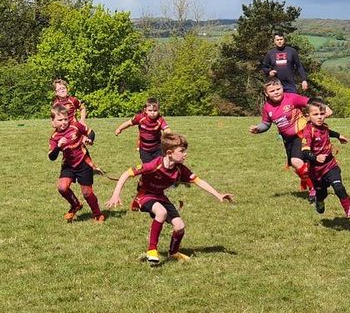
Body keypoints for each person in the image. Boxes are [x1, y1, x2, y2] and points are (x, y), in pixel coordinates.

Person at [105, 132, 233, 265]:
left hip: (160, 196)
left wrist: (218, 194)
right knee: (161, 212)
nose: (185, 154)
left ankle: (173, 252)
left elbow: (198, 181)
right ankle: (152, 250)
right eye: (182, 151)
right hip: (145, 195)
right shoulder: (154, 165)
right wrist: (116, 194)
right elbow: (127, 173)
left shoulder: (180, 169)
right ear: (170, 153)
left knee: (180, 226)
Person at [300, 100, 350, 229]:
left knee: (339, 188)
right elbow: (304, 152)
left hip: (331, 166)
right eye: (315, 114)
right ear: (307, 116)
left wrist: (339, 136)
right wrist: (315, 157)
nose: (320, 117)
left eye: (322, 114)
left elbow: (328, 132)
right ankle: (320, 201)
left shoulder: (325, 127)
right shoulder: (308, 131)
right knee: (322, 194)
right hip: (316, 171)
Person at [249, 78, 313, 197]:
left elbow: (310, 102)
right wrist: (258, 129)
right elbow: (266, 123)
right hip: (287, 140)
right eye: (272, 91)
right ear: (266, 93)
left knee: (296, 162)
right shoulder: (267, 107)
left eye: (278, 89)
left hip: (301, 134)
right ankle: (315, 185)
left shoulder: (291, 98)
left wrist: (320, 111)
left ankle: (314, 188)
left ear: (282, 88)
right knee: (298, 167)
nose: (276, 92)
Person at [48, 104, 103, 223]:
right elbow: (51, 157)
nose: (64, 122)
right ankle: (75, 204)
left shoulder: (76, 126)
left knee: (87, 193)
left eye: (66, 119)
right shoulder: (54, 137)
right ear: (53, 122)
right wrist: (58, 147)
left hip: (83, 163)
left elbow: (91, 132)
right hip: (68, 165)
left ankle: (97, 214)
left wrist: (90, 139)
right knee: (62, 187)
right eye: (60, 120)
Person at [114, 98, 169, 163]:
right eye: (150, 110)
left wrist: (172, 138)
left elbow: (167, 130)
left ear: (158, 110)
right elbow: (129, 123)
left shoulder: (160, 120)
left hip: (158, 148)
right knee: (147, 167)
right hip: (144, 149)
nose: (153, 113)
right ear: (145, 110)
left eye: (155, 110)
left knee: (159, 165)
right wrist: (119, 129)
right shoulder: (140, 118)